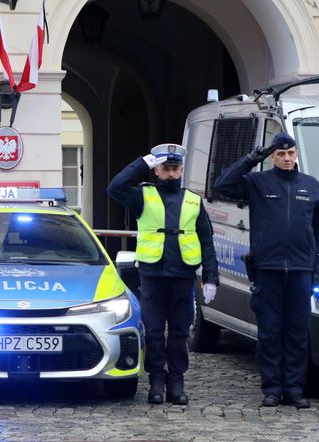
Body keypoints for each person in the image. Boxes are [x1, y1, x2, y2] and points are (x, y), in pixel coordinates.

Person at [214, 132, 319, 409]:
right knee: (269, 332)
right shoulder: (258, 182)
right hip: (268, 269)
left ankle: (293, 389)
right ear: (273, 157)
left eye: (290, 153)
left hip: (302, 271)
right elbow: (223, 185)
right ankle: (272, 389)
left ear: (296, 154)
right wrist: (252, 158)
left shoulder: (310, 186)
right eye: (280, 154)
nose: (286, 158)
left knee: (297, 333)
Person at [108, 144, 219, 405]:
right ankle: (156, 380)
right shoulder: (142, 196)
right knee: (154, 332)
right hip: (153, 275)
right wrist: (142, 162)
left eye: (175, 168)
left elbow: (207, 241)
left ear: (181, 170)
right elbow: (114, 188)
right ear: (156, 170)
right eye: (165, 168)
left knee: (180, 333)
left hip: (183, 276)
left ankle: (176, 381)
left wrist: (211, 277)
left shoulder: (193, 200)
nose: (171, 173)